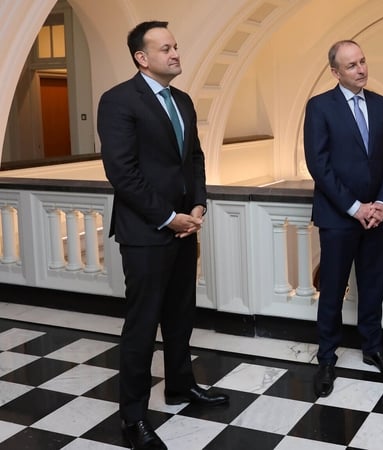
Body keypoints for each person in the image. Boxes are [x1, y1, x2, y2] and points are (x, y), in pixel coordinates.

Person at [98, 21, 229, 449]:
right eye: (166, 48)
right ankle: (132, 418)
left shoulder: (184, 101)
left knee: (179, 318)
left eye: (176, 46)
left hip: (183, 228)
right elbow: (123, 173)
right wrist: (168, 217)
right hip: (147, 233)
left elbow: (194, 159)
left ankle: (180, 387)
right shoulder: (118, 100)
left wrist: (197, 205)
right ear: (142, 57)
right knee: (142, 326)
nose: (176, 53)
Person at [303, 40, 383, 398]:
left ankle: (373, 349)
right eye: (351, 65)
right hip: (338, 217)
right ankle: (326, 358)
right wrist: (354, 207)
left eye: (362, 61)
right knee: (332, 289)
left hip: (376, 216)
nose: (361, 69)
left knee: (372, 286)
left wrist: (382, 204)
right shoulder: (319, 107)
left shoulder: (381, 105)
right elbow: (319, 164)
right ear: (335, 72)